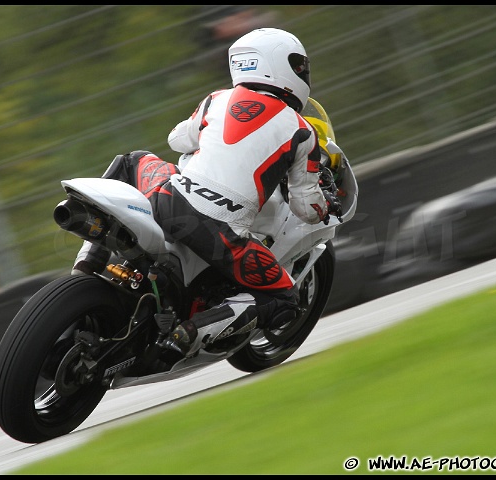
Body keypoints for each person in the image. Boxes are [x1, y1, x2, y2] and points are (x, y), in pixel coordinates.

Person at [73, 27, 342, 357]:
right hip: (219, 237)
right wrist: (326, 205)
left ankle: (85, 265)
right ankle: (188, 333)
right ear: (281, 67)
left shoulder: (216, 99)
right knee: (283, 299)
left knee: (132, 161)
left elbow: (177, 141)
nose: (303, 72)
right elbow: (304, 206)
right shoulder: (302, 132)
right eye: (299, 65)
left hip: (166, 198)